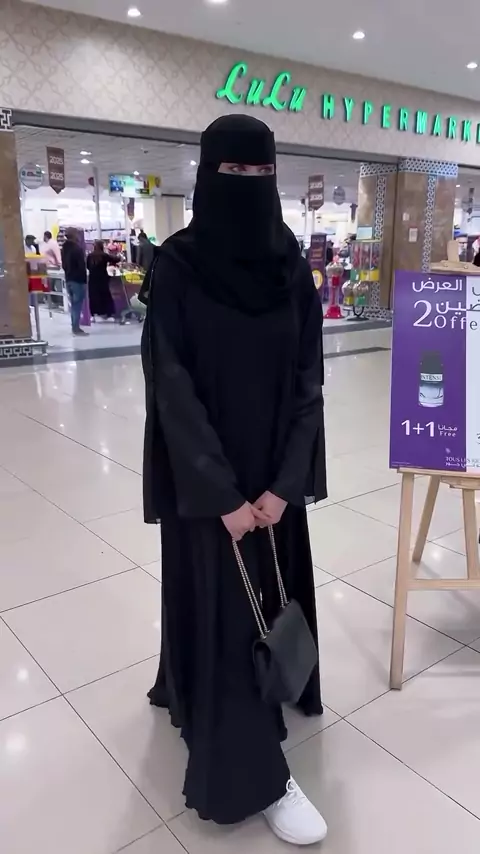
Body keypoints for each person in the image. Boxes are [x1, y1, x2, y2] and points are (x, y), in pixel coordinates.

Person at [141, 115, 327, 845]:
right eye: (234, 172)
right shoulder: (179, 267)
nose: (249, 185)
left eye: (261, 172)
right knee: (223, 605)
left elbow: (310, 382)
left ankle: (253, 691)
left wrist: (283, 485)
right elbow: (171, 386)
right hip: (209, 488)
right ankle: (258, 773)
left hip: (273, 484)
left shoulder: (292, 269)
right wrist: (221, 495)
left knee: (269, 601)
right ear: (206, 175)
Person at [61, 227, 88, 336]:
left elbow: (64, 265)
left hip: (69, 279)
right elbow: (81, 266)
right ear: (74, 235)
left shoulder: (64, 249)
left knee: (73, 304)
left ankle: (74, 326)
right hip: (78, 280)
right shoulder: (77, 249)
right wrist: (84, 280)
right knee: (77, 305)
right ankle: (76, 328)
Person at [87, 240, 118, 318]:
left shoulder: (90, 256)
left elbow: (87, 266)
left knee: (94, 295)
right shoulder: (104, 255)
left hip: (92, 278)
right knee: (105, 295)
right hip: (102, 277)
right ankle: (107, 312)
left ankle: (94, 312)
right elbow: (115, 259)